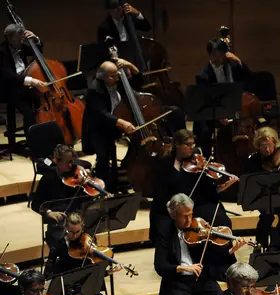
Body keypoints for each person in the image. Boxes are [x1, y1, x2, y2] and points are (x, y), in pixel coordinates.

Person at [154, 194, 246, 295]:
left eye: (191, 214)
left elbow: (212, 257)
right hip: (178, 282)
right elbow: (160, 266)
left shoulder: (198, 227)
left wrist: (231, 250)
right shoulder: (165, 232)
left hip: (202, 278)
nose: (189, 220)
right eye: (184, 216)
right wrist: (184, 268)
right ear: (173, 215)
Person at [150, 129, 238, 240]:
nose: (192, 147)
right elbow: (160, 190)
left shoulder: (197, 163)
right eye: (188, 144)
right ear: (177, 144)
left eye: (193, 144)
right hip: (176, 205)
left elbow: (208, 190)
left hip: (197, 202)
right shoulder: (164, 163)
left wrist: (224, 186)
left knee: (223, 220)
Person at [81, 59, 141, 192]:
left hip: (115, 124)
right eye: (113, 75)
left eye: (117, 74)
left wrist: (130, 65)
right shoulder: (94, 90)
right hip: (98, 128)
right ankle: (104, 188)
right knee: (103, 156)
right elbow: (101, 114)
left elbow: (139, 81)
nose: (117, 77)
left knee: (138, 141)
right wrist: (122, 122)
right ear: (102, 77)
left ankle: (123, 172)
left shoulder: (118, 82)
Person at [243, 126, 280, 247]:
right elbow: (249, 185)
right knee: (267, 215)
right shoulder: (253, 161)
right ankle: (261, 246)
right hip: (263, 198)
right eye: (263, 146)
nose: (268, 149)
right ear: (258, 146)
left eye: (270, 145)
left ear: (275, 143)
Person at [193, 35, 252, 158]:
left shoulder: (232, 65)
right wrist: (218, 115)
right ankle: (209, 159)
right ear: (211, 55)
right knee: (205, 131)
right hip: (212, 109)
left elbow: (250, 77)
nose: (222, 57)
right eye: (219, 54)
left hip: (232, 105)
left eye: (223, 53)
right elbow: (206, 100)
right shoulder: (203, 76)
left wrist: (239, 61)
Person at [30, 144, 91, 250]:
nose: (71, 165)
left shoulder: (77, 178)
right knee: (62, 245)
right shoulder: (48, 179)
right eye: (67, 162)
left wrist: (91, 188)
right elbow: (35, 203)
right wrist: (49, 212)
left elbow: (86, 199)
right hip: (59, 225)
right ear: (57, 161)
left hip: (78, 223)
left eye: (72, 161)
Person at [0, 24, 46, 137]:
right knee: (28, 112)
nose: (22, 40)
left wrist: (36, 39)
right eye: (18, 37)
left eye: (22, 37)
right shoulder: (1, 52)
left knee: (40, 104)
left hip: (24, 85)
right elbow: (10, 76)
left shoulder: (20, 45)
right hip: (9, 88)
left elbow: (36, 52)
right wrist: (32, 81)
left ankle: (42, 134)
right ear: (9, 38)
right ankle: (32, 141)